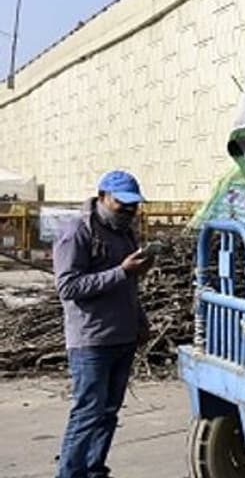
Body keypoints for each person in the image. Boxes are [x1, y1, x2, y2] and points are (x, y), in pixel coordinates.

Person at [53, 171, 154, 478]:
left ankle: (94, 470)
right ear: (102, 197)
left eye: (133, 206)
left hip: (122, 337)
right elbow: (68, 288)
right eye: (121, 204)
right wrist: (121, 272)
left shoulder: (125, 233)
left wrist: (140, 320)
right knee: (87, 414)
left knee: (108, 414)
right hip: (91, 342)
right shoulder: (77, 233)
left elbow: (128, 286)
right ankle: (70, 474)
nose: (127, 211)